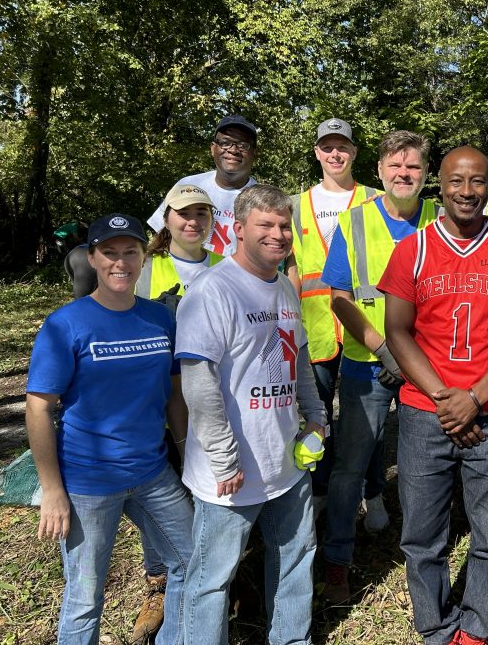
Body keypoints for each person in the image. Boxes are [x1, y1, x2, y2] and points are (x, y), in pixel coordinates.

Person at [379, 146, 488, 645]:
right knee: (422, 536)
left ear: (487, 188)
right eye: (457, 181)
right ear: (441, 186)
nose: (467, 191)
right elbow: (397, 331)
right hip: (424, 413)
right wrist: (445, 398)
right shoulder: (413, 249)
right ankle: (434, 625)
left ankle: (476, 629)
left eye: (477, 182)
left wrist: (474, 397)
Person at [25, 213, 194, 645]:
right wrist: (52, 490)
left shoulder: (160, 318)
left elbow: (174, 392)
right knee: (85, 597)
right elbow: (39, 409)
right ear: (93, 258)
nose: (121, 262)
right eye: (110, 253)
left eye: (130, 252)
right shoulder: (65, 324)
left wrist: (185, 449)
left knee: (192, 564)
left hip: (153, 474)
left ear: (143, 257)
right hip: (88, 482)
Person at [175, 184, 328, 645]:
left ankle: (290, 639)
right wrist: (224, 458)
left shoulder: (283, 286)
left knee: (297, 558)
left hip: (286, 462)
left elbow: (296, 360)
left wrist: (316, 415)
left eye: (284, 225)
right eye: (266, 224)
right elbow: (198, 384)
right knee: (211, 580)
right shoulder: (212, 290)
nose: (278, 234)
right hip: (231, 471)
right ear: (238, 229)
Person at [319, 129, 438, 605]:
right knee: (350, 467)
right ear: (380, 172)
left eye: (413, 167)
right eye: (395, 166)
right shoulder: (355, 222)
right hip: (366, 366)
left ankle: (423, 560)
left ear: (426, 174)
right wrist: (381, 346)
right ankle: (337, 562)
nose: (404, 174)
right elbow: (340, 297)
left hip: (426, 367)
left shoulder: (442, 220)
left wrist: (408, 357)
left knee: (421, 468)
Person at [131, 182, 222, 643]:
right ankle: (160, 582)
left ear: (211, 220)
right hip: (157, 403)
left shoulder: (228, 267)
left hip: (216, 402)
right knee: (159, 493)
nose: (192, 222)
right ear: (166, 220)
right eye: (183, 214)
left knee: (209, 488)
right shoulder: (145, 269)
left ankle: (217, 575)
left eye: (201, 214)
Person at [288, 118, 380, 520]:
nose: (335, 154)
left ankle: (373, 490)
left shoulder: (376, 197)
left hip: (365, 320)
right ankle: (321, 489)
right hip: (315, 324)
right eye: (327, 147)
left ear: (355, 152)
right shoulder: (294, 204)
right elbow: (290, 267)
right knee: (317, 413)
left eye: (342, 146)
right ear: (317, 153)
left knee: (370, 413)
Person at [148, 115, 258, 257]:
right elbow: (160, 238)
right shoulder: (188, 185)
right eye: (225, 142)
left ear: (255, 154)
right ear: (213, 148)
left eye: (243, 145)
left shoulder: (262, 201)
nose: (233, 150)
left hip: (232, 278)